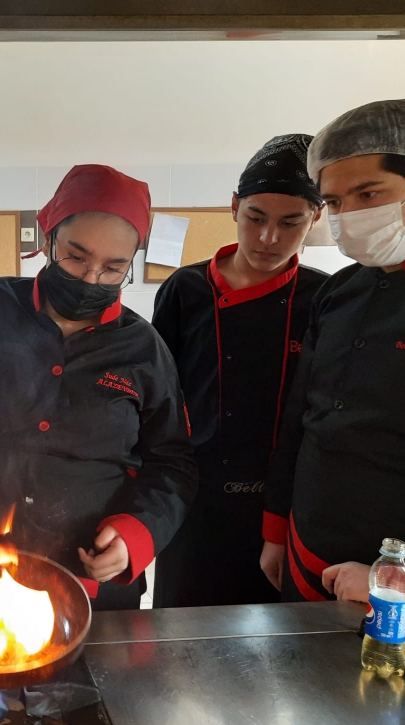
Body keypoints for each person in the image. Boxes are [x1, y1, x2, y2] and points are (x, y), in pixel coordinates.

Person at [0, 165, 197, 610]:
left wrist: (138, 533)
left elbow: (174, 462)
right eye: (75, 257)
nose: (91, 279)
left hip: (88, 587)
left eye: (114, 268)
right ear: (47, 237)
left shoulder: (143, 349)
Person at [262, 99, 405, 611]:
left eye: (368, 193)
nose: (349, 215)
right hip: (305, 551)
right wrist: (275, 527)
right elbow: (300, 415)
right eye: (334, 202)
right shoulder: (341, 291)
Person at [150, 135, 328, 608]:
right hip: (194, 499)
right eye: (256, 218)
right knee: (180, 638)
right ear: (233, 207)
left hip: (283, 504)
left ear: (318, 216)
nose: (269, 238)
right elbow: (158, 403)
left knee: (276, 648)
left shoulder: (325, 299)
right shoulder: (184, 290)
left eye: (291, 223)